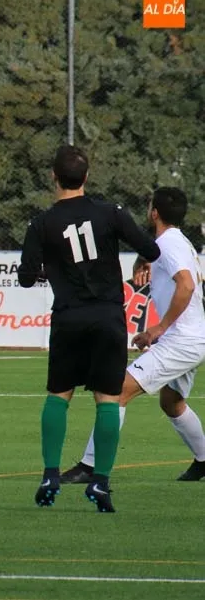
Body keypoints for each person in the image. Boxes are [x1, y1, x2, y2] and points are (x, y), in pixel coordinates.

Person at [18, 145, 160, 513]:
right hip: (108, 317)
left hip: (68, 317)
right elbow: (150, 249)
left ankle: (50, 474)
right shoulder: (110, 213)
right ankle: (101, 482)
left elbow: (24, 277)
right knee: (108, 400)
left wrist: (50, 267)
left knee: (58, 396)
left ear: (53, 176)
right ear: (87, 175)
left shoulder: (42, 223)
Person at [60, 187, 205, 484]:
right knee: (172, 403)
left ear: (154, 213)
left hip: (182, 340)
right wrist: (145, 259)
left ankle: (90, 467)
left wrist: (158, 328)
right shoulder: (177, 242)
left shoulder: (169, 243)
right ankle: (204, 460)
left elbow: (187, 285)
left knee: (115, 391)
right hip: (191, 337)